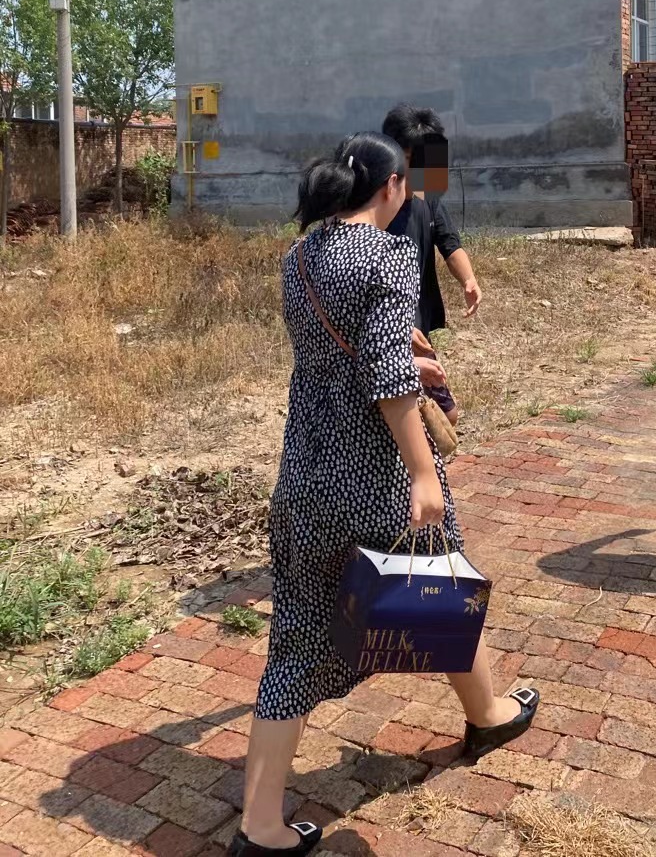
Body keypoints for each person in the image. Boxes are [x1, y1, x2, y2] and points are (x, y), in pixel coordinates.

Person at [229, 133, 539, 856]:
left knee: (295, 643)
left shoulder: (297, 257)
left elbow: (336, 358)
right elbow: (387, 377)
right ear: (393, 186)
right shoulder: (388, 255)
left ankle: (260, 825)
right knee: (440, 585)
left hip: (306, 472)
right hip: (376, 475)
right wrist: (424, 473)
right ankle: (488, 715)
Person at [381, 105, 482, 427]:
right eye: (411, 158)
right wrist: (394, 326)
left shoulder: (429, 194)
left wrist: (468, 280)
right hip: (384, 329)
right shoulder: (376, 205)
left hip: (418, 323)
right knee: (425, 417)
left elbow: (449, 242)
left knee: (441, 416)